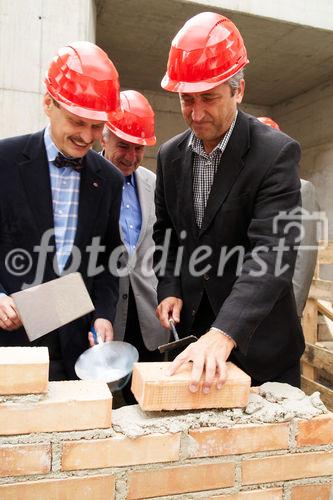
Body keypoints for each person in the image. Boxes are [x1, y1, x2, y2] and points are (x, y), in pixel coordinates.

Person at [154, 12, 305, 391]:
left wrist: (225, 330)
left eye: (209, 98)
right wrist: (169, 286)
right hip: (194, 340)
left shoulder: (275, 153)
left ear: (238, 90)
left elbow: (272, 253)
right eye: (187, 100)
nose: (197, 113)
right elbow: (167, 233)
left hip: (261, 348)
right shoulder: (170, 156)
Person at [0, 41, 124, 380]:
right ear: (48, 104)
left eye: (97, 126)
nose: (87, 137)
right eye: (76, 122)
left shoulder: (109, 179)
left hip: (76, 346)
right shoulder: (4, 162)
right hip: (10, 344)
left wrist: (103, 315)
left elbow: (110, 259)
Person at [101, 90, 169, 403]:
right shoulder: (85, 180)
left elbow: (166, 246)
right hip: (104, 321)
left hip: (149, 320)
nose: (131, 156)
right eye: (123, 146)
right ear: (104, 138)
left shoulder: (154, 184)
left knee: (149, 405)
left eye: (138, 147)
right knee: (107, 408)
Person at [257, 117, 319, 318]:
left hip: (280, 310)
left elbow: (304, 257)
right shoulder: (248, 190)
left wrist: (293, 312)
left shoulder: (301, 189)